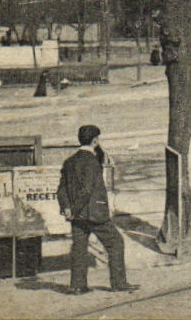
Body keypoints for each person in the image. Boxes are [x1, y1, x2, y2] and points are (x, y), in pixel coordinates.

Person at [57, 124, 137, 294]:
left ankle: (78, 286)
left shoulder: (69, 162)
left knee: (79, 248)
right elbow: (87, 190)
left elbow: (61, 189)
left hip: (76, 217)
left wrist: (67, 208)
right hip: (94, 213)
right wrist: (76, 208)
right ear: (95, 140)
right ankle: (118, 283)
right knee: (116, 243)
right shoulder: (92, 162)